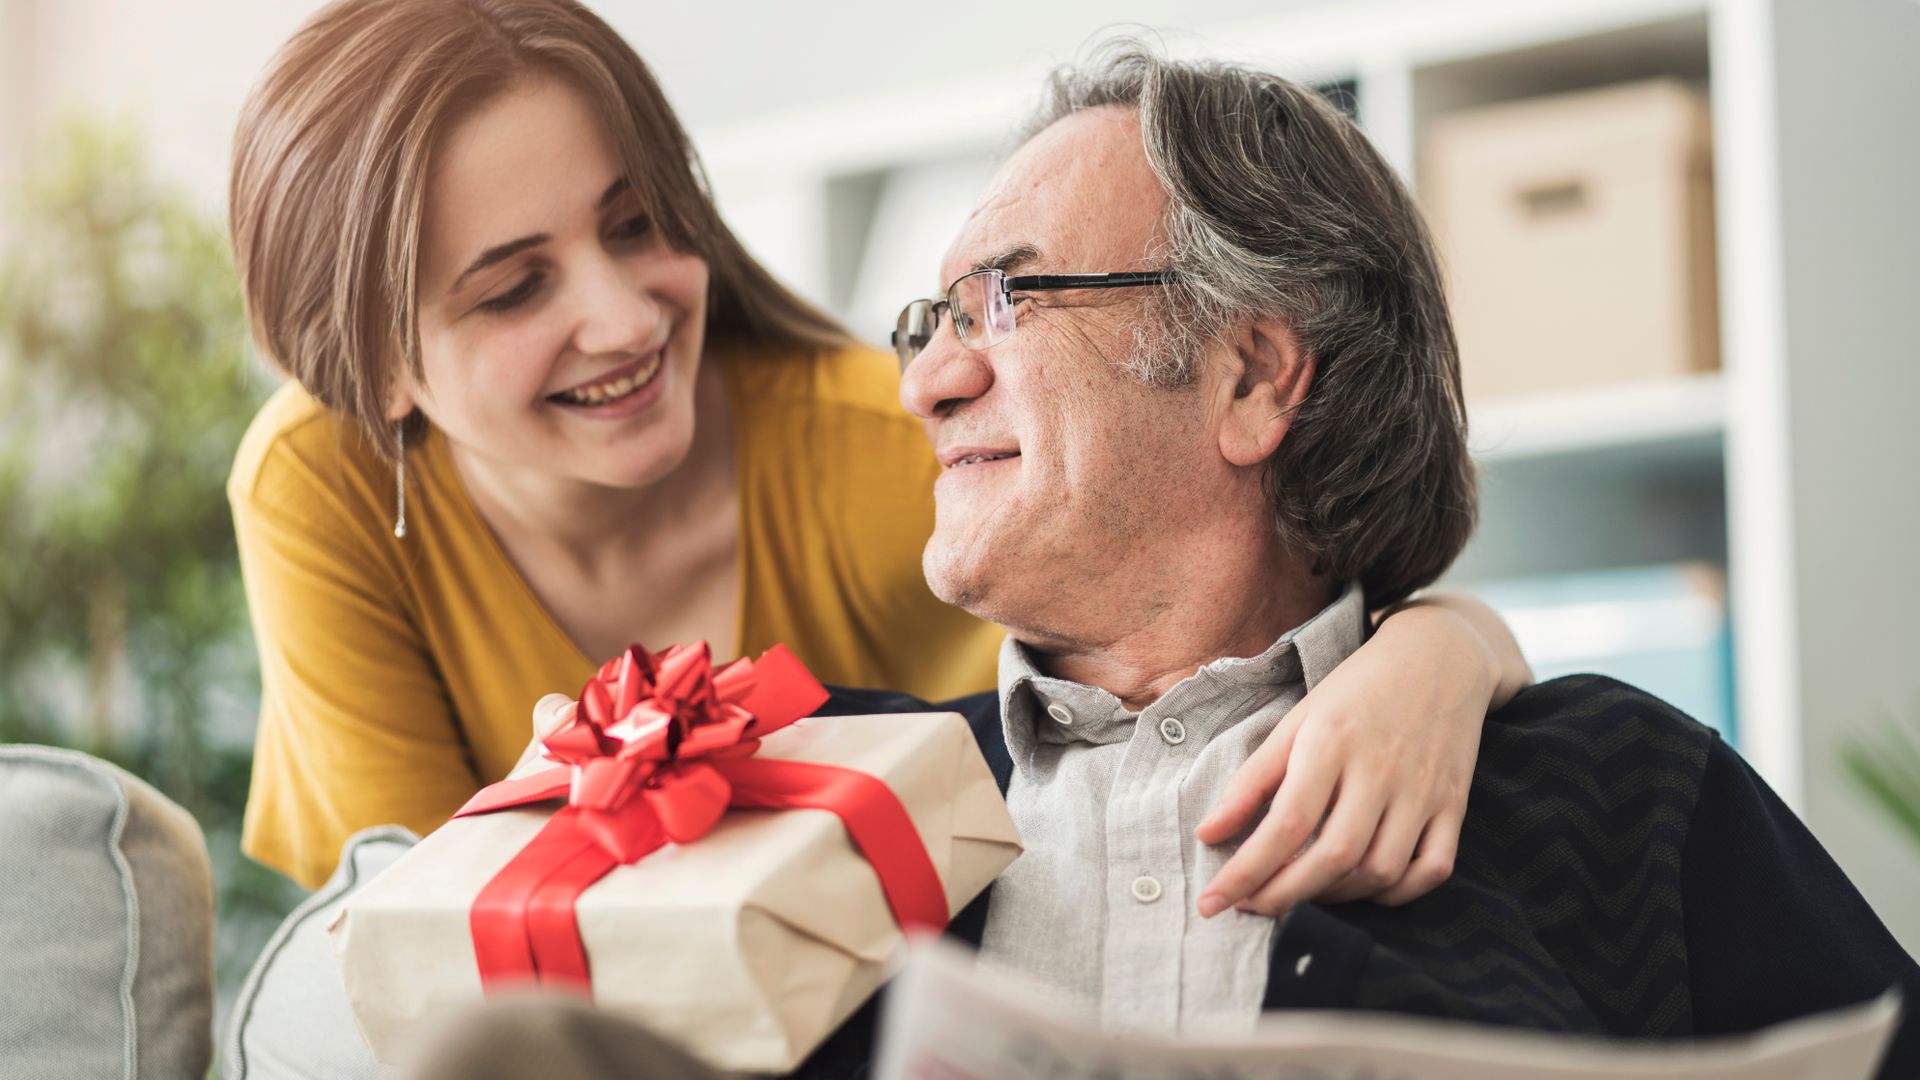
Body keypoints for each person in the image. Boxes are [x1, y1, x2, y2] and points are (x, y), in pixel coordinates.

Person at [404, 41, 1920, 1080]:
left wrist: (1451, 643)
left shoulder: (1614, 792)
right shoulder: (806, 794)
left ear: (1253, 376)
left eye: (1006, 300)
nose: (928, 382)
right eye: (930, 324)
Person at [225, 0, 1531, 908]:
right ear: (374, 367)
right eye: (513, 289)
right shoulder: (321, 488)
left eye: (637, 225)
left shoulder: (898, 441)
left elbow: (1219, 627)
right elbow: (406, 933)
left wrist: (1440, 644)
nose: (622, 318)